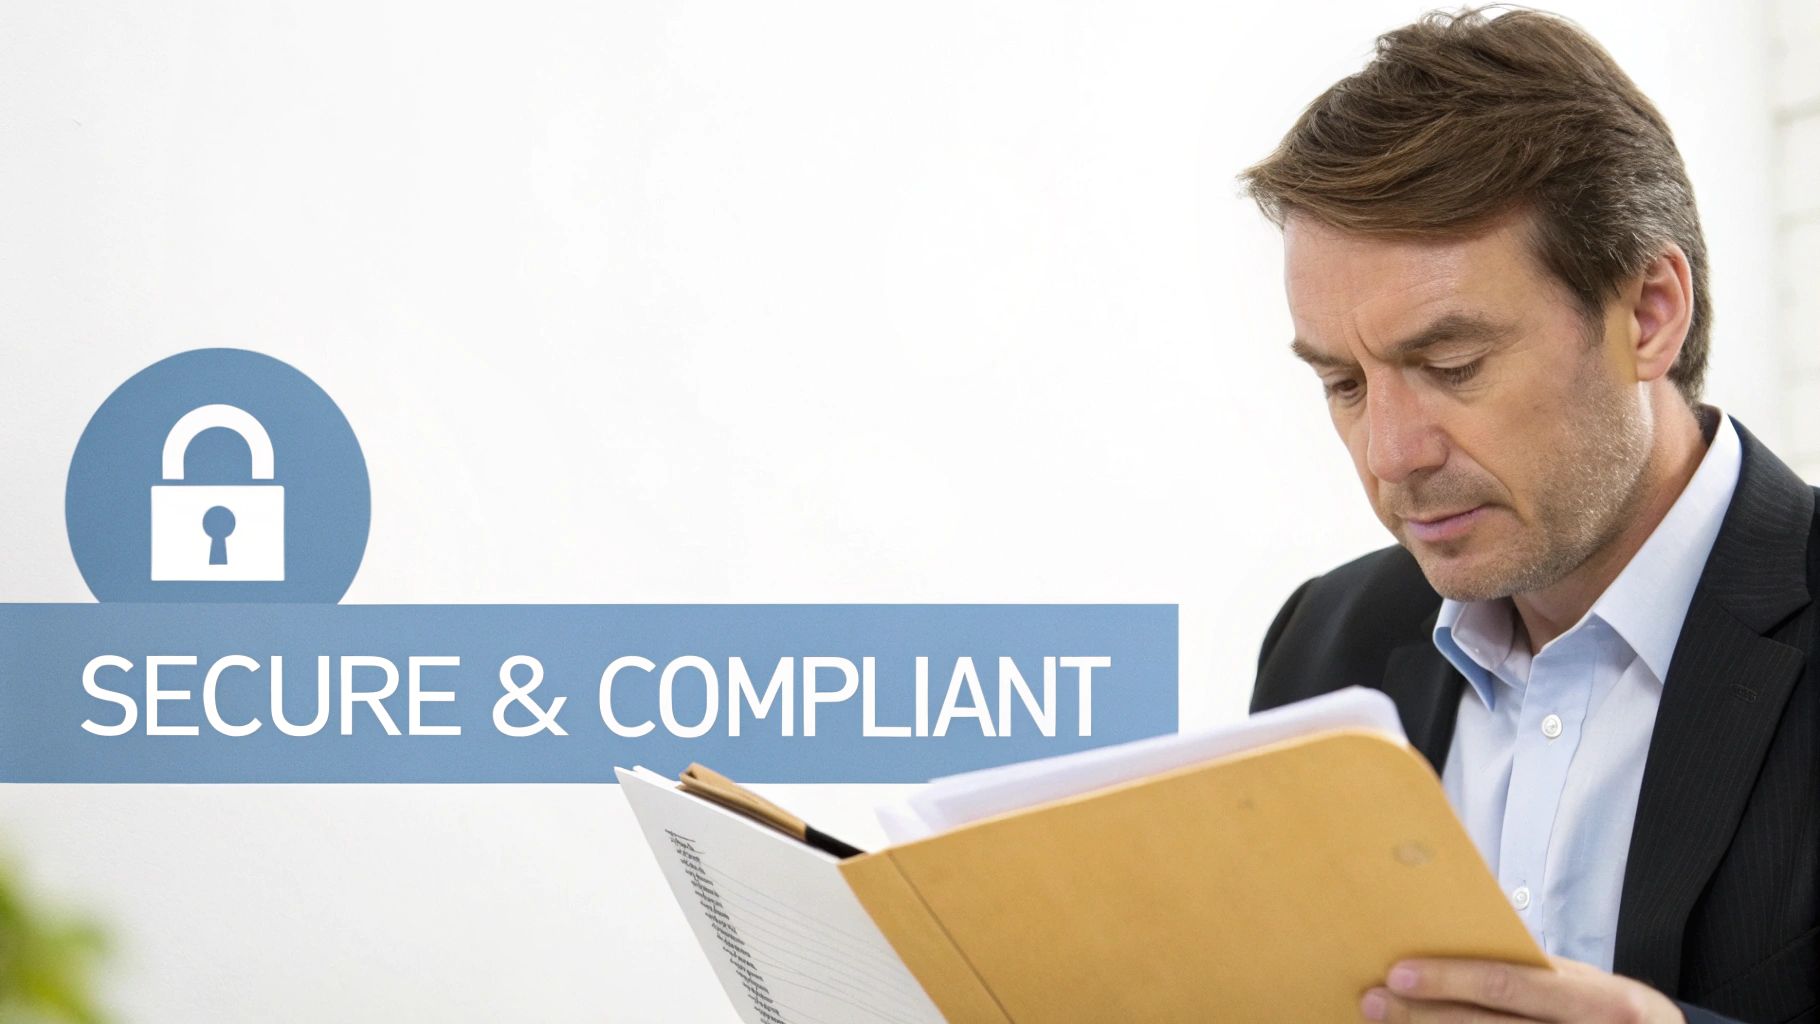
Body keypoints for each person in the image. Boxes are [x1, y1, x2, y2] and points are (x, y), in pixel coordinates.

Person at [1242, 8, 1818, 1023]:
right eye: (1341, 383)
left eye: (1450, 366)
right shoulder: (1320, 645)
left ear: (1646, 312)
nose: (1389, 454)